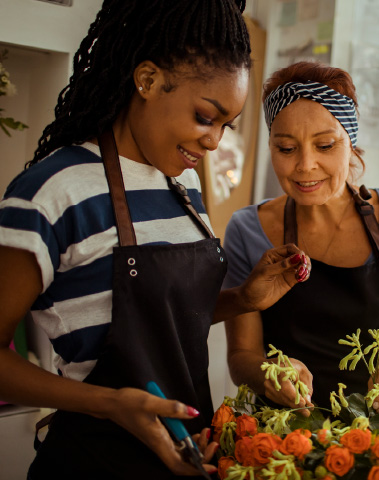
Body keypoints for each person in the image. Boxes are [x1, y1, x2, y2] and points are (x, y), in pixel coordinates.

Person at [0, 2, 311, 479]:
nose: (214, 142)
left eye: (227, 125)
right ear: (146, 80)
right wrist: (109, 404)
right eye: (206, 116)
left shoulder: (182, 188)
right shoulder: (56, 191)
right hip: (93, 463)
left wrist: (244, 299)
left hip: (187, 461)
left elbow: (156, 319)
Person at [223, 61, 379, 416]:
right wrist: (269, 374)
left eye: (325, 145)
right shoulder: (246, 230)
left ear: (350, 143)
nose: (305, 165)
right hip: (281, 437)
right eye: (286, 148)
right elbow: (240, 358)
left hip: (376, 436)